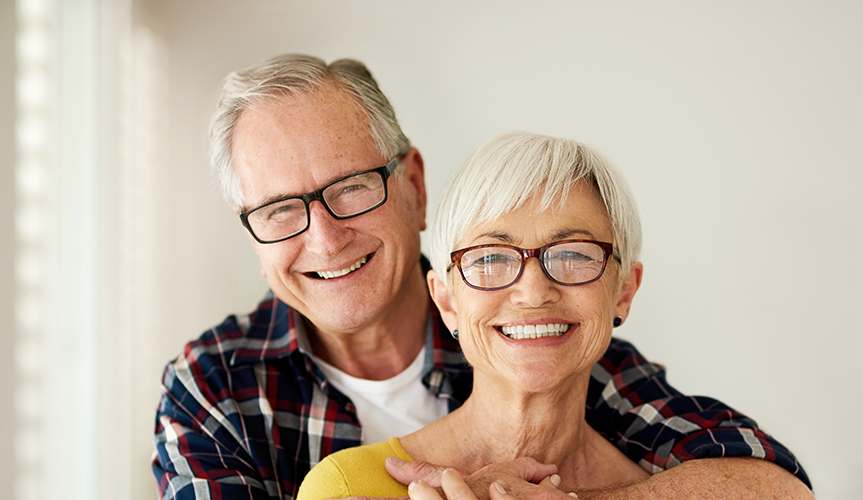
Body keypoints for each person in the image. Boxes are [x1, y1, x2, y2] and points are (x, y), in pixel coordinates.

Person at [152, 54, 812, 500]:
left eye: (351, 189)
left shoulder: (536, 339)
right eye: (279, 210)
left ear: (413, 185)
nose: (324, 237)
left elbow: (774, 483)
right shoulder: (216, 385)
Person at [296, 132, 813, 500]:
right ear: (447, 300)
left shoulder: (658, 490)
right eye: (492, 258)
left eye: (573, 254)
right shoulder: (347, 489)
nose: (533, 290)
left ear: (623, 293)